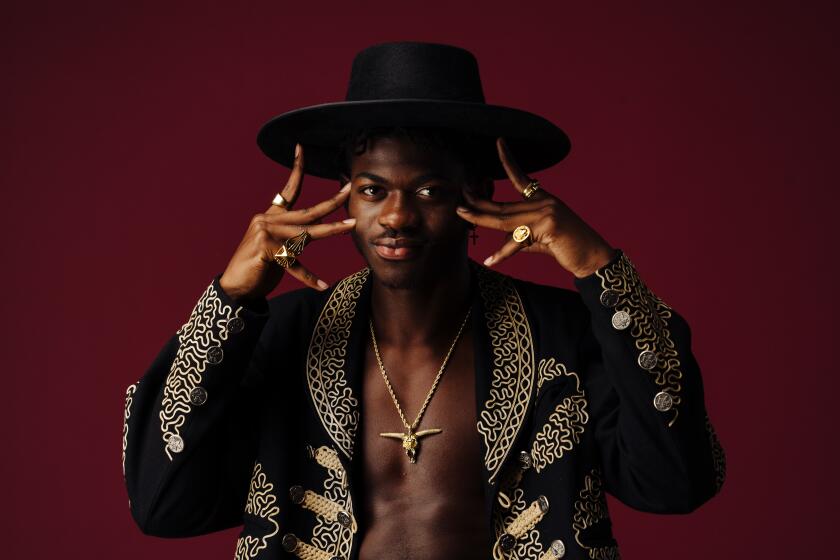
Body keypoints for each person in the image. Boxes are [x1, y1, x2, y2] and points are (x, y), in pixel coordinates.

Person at [122, 42, 725, 560]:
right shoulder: (282, 335)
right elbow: (163, 504)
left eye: (430, 190)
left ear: (481, 197)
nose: (397, 217)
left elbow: (676, 483)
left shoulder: (564, 334)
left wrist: (600, 267)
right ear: (345, 201)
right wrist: (229, 299)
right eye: (372, 190)